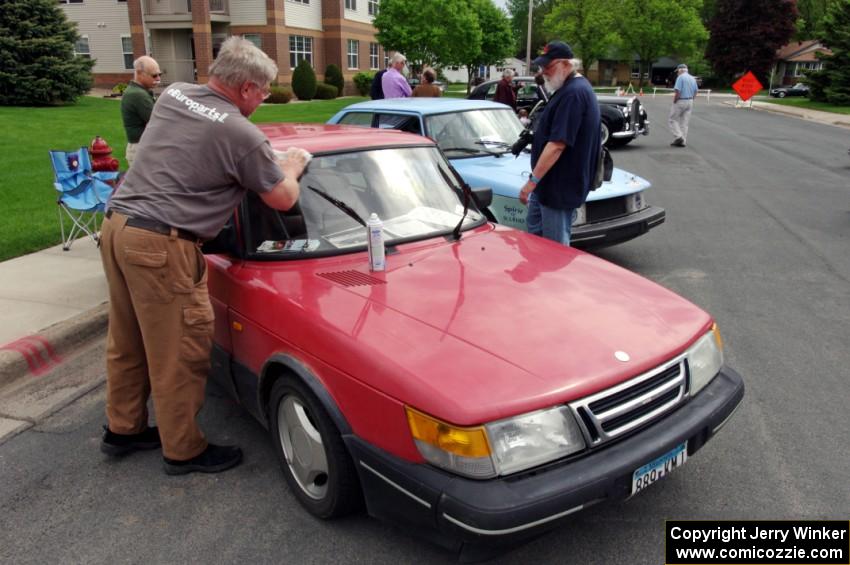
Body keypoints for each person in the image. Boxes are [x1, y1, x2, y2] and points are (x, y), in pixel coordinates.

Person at [98, 37, 310, 476]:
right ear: (247, 88)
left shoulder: (175, 94)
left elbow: (192, 147)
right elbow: (283, 198)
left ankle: (123, 429)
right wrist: (291, 164)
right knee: (178, 350)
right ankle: (184, 450)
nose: (264, 100)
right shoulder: (240, 133)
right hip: (162, 244)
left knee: (128, 338)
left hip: (118, 227)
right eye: (264, 92)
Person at [518, 41, 601, 247]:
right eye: (542, 66)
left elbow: (557, 145)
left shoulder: (574, 93)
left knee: (554, 250)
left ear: (566, 64)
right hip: (547, 186)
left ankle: (553, 279)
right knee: (535, 240)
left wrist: (532, 182)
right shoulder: (568, 88)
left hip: (559, 187)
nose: (544, 71)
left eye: (548, 66)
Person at [121, 56, 161, 166]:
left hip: (143, 146)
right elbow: (158, 121)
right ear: (139, 73)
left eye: (159, 75)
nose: (158, 78)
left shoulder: (140, 92)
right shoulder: (137, 94)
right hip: (140, 149)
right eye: (154, 75)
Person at [668, 63, 698, 147]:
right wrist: (692, 99)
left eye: (677, 71)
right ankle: (683, 141)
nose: (677, 73)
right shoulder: (692, 78)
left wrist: (675, 100)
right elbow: (696, 91)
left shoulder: (680, 77)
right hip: (690, 101)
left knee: (672, 119)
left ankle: (679, 137)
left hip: (681, 100)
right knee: (684, 122)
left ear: (680, 70)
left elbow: (678, 91)